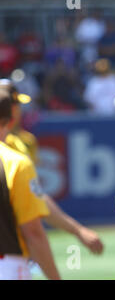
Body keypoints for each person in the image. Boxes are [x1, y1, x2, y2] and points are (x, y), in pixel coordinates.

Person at [0, 79, 104, 255]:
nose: (19, 111)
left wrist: (78, 230)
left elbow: (36, 195)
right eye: (17, 105)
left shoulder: (24, 142)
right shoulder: (15, 151)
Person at [0, 89, 60, 280]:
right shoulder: (14, 162)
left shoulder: (24, 143)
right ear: (10, 119)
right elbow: (33, 232)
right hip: (7, 264)